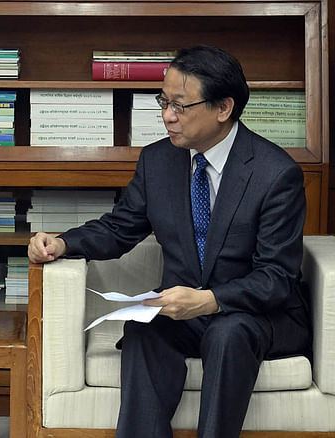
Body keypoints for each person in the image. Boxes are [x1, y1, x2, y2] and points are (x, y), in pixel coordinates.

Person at [28, 45, 310, 438]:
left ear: (223, 108)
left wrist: (210, 300)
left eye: (179, 105)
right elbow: (120, 227)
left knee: (228, 333)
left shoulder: (275, 173)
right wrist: (61, 243)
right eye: (163, 101)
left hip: (257, 315)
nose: (166, 116)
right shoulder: (159, 160)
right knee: (144, 329)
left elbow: (276, 278)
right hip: (185, 312)